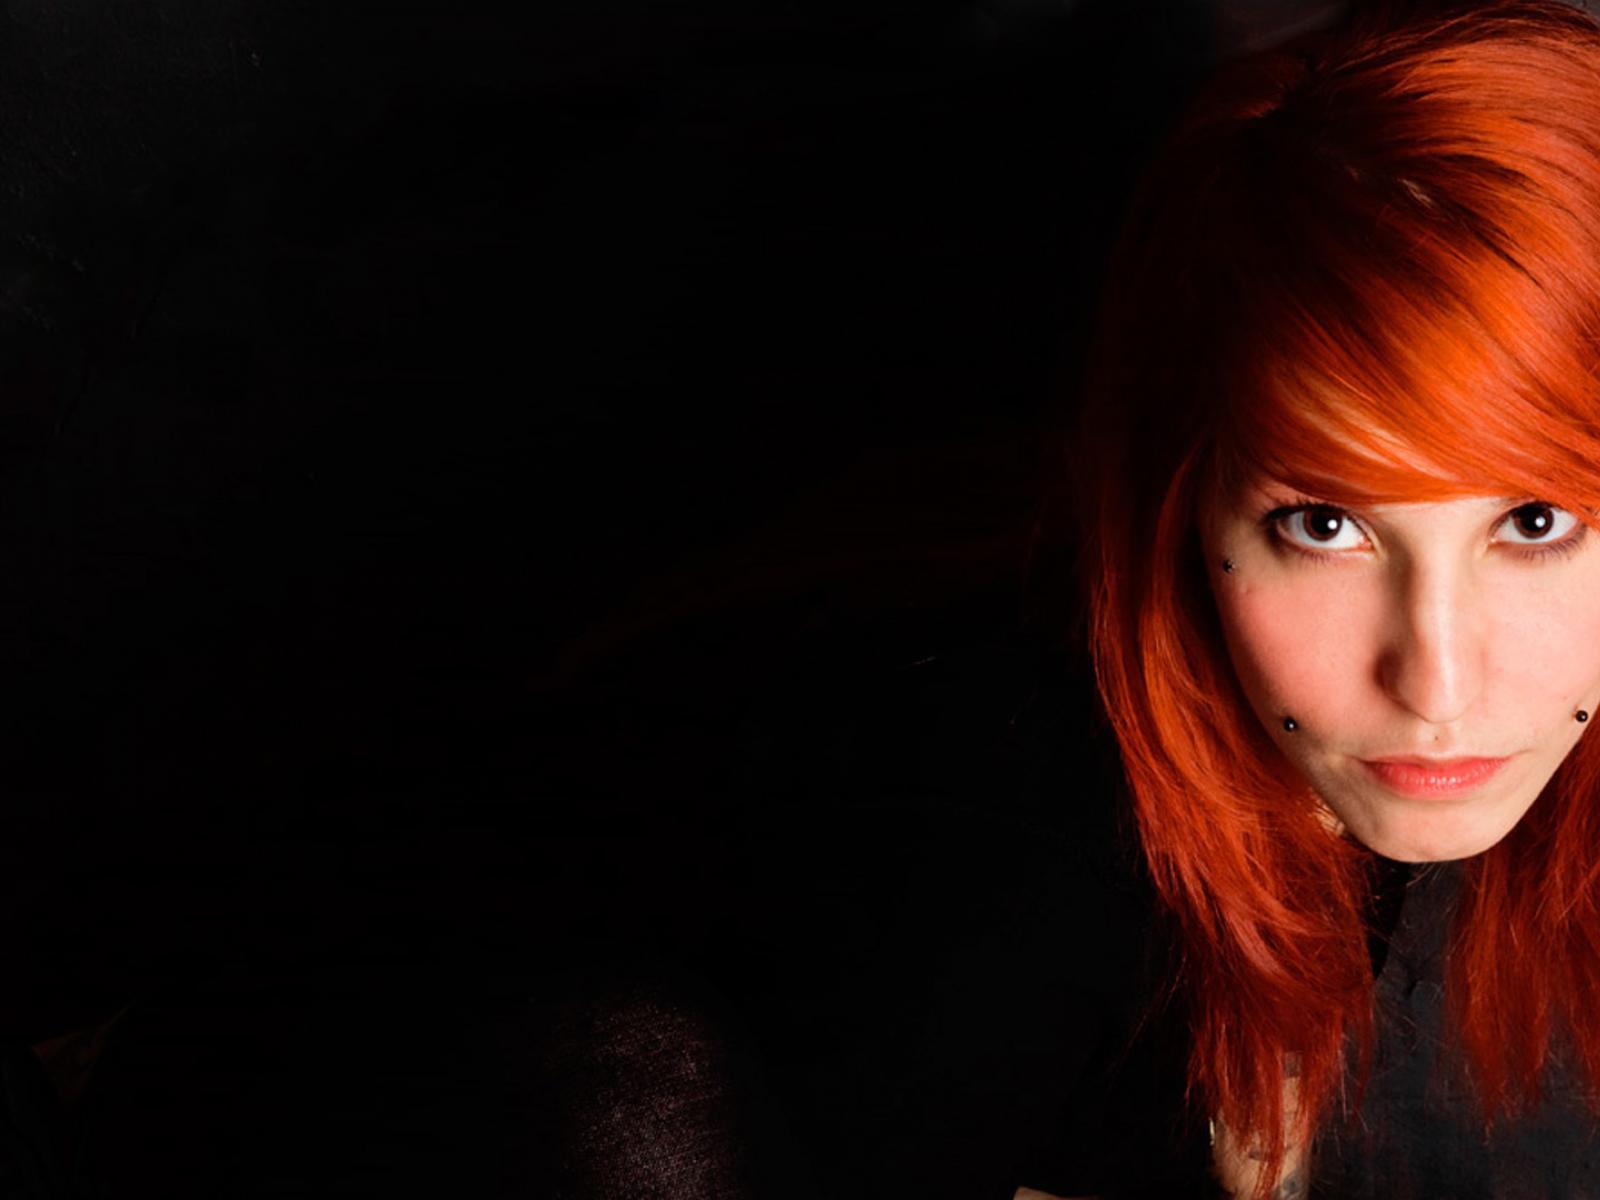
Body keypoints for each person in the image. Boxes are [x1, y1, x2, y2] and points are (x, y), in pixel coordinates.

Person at [1058, 0, 1600, 1196]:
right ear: (1183, 507)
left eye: (1534, 521)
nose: (1436, 686)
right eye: (1324, 524)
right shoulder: (987, 883)